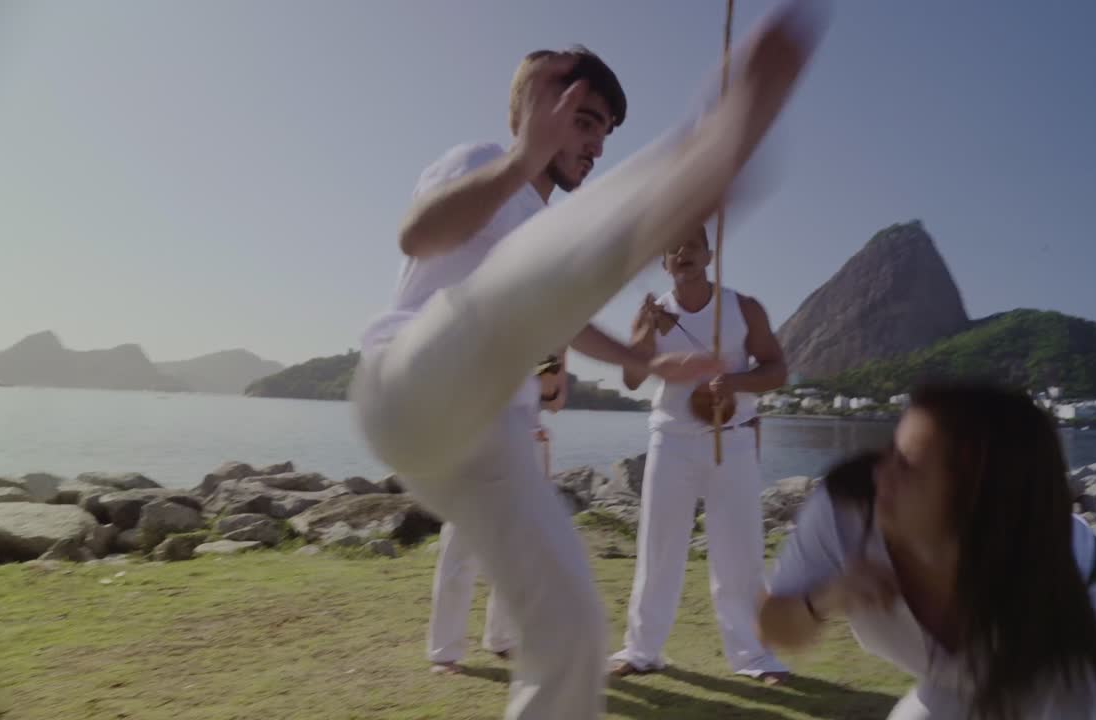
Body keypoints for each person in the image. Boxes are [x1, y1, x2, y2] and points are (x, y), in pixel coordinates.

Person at [350, 3, 829, 716]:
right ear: (535, 109)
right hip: (413, 383)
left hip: (491, 440)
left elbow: (558, 310)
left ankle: (698, 163)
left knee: (572, 640)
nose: (596, 145)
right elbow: (418, 235)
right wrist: (521, 158)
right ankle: (703, 153)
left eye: (605, 132)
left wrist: (644, 359)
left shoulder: (547, 233)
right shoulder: (482, 162)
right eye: (585, 121)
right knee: (522, 285)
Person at [757, 382, 1096, 720]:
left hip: (1031, 671)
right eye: (890, 452)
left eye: (908, 465)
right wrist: (827, 597)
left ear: (978, 504)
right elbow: (771, 626)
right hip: (953, 680)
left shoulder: (1074, 624)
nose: (880, 474)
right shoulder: (846, 509)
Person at [609, 225, 789, 684]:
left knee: (740, 551)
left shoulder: (744, 308)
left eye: (692, 245)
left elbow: (777, 370)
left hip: (733, 438)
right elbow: (631, 380)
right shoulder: (652, 311)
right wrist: (647, 332)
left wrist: (735, 382)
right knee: (658, 548)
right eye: (673, 248)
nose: (683, 253)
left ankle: (755, 656)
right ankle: (641, 650)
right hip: (670, 439)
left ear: (709, 254)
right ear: (664, 262)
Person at [426, 350, 569, 675]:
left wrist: (556, 357)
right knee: (460, 553)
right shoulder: (485, 323)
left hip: (528, 447)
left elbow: (554, 401)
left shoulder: (554, 333)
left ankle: (502, 639)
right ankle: (444, 652)